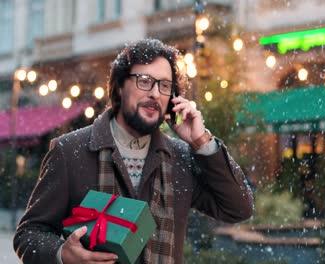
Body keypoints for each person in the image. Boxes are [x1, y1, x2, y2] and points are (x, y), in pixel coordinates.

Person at [13, 38, 253, 264]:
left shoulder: (180, 157)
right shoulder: (70, 151)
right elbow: (29, 234)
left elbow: (238, 208)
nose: (155, 94)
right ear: (119, 87)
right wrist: (62, 254)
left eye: (165, 85)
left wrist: (202, 141)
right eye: (144, 81)